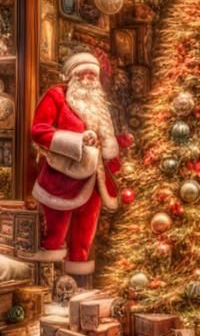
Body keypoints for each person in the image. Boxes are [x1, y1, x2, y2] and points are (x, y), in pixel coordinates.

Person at [27, 51, 132, 277]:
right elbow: (39, 131)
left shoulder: (99, 103)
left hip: (94, 179)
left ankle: (76, 288)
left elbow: (106, 139)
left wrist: (119, 143)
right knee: (54, 237)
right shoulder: (57, 96)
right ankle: (47, 285)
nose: (88, 79)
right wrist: (78, 140)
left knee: (83, 238)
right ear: (71, 76)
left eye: (92, 75)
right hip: (61, 179)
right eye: (82, 74)